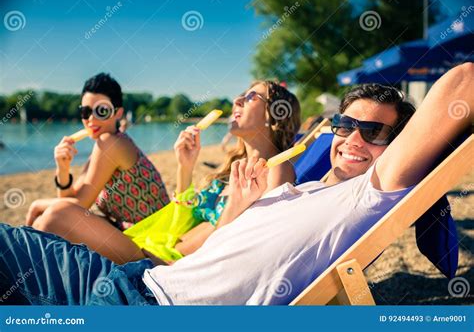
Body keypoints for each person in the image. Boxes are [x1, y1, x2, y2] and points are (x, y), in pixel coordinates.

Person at [0, 63, 472, 305]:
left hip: (143, 303)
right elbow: (209, 253)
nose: (352, 139)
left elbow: (463, 82)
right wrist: (233, 214)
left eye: (374, 132)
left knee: (43, 224)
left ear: (402, 146)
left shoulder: (370, 193)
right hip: (138, 280)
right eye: (344, 124)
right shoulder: (304, 189)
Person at [28, 80, 301, 264]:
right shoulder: (232, 170)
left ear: (273, 114)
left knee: (57, 215)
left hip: (165, 264)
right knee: (46, 224)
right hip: (155, 243)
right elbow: (182, 219)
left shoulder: (276, 169)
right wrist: (185, 165)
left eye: (249, 97)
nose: (236, 101)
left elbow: (240, 241)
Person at [25, 73, 170, 262]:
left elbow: (75, 207)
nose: (91, 119)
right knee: (47, 219)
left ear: (118, 113)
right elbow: (69, 201)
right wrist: (62, 168)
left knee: (50, 217)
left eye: (101, 111)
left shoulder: (111, 143)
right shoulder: (101, 147)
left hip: (154, 239)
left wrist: (36, 204)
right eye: (85, 112)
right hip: (132, 234)